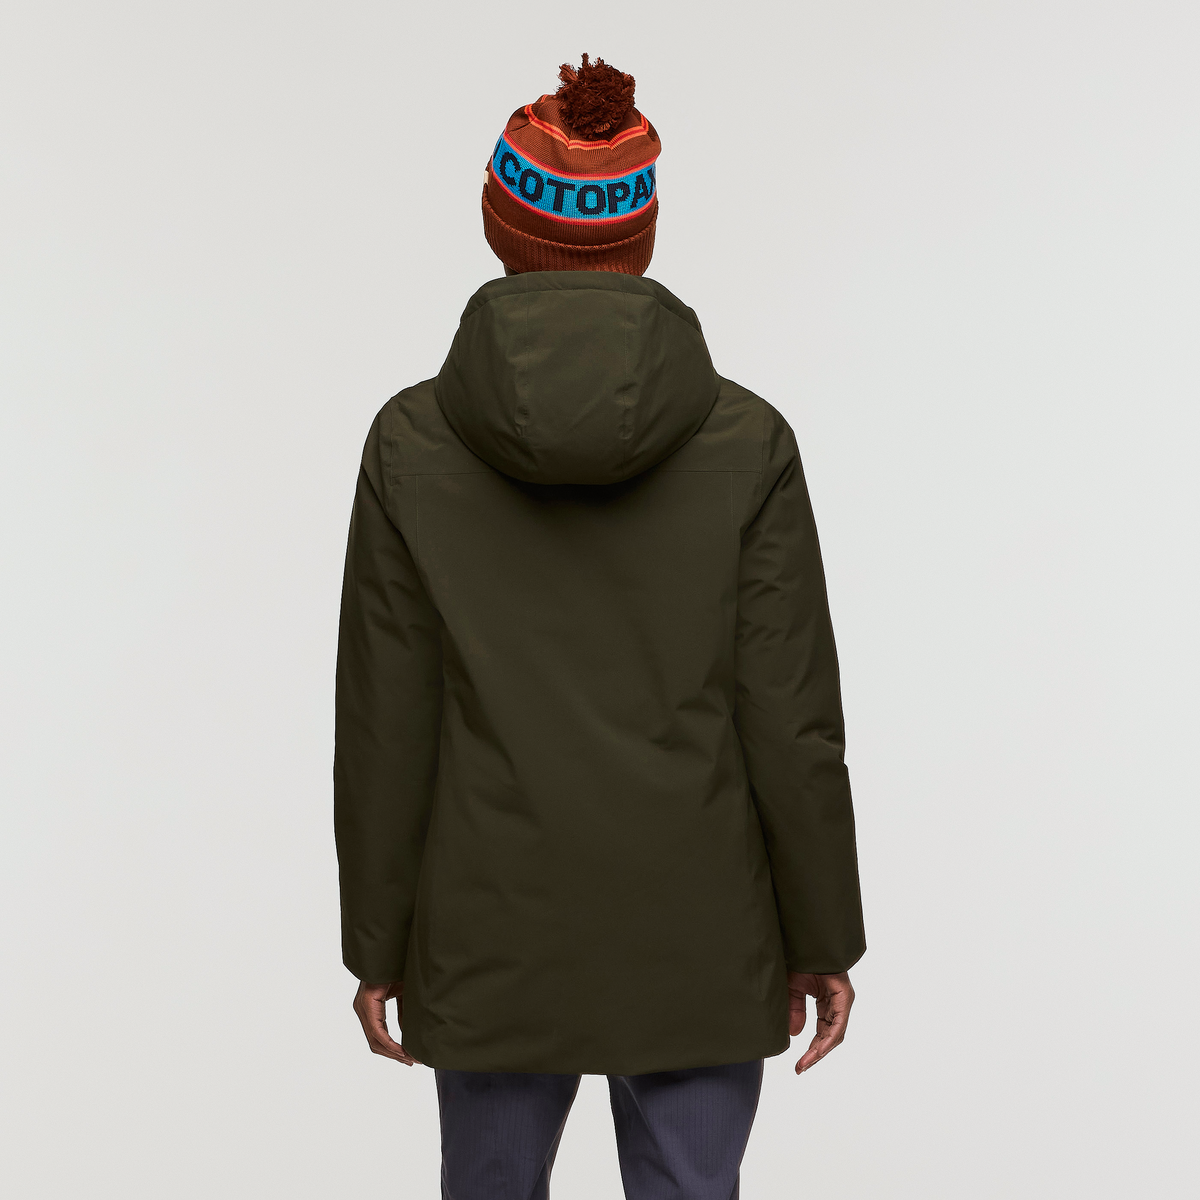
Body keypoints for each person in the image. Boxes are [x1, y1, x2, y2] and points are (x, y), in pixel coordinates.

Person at [334, 53, 866, 1200]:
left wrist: (375, 940)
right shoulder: (748, 442)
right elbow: (789, 720)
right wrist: (822, 933)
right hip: (700, 933)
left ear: (500, 225)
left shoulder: (411, 443)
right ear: (642, 236)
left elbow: (388, 722)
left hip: (488, 929)